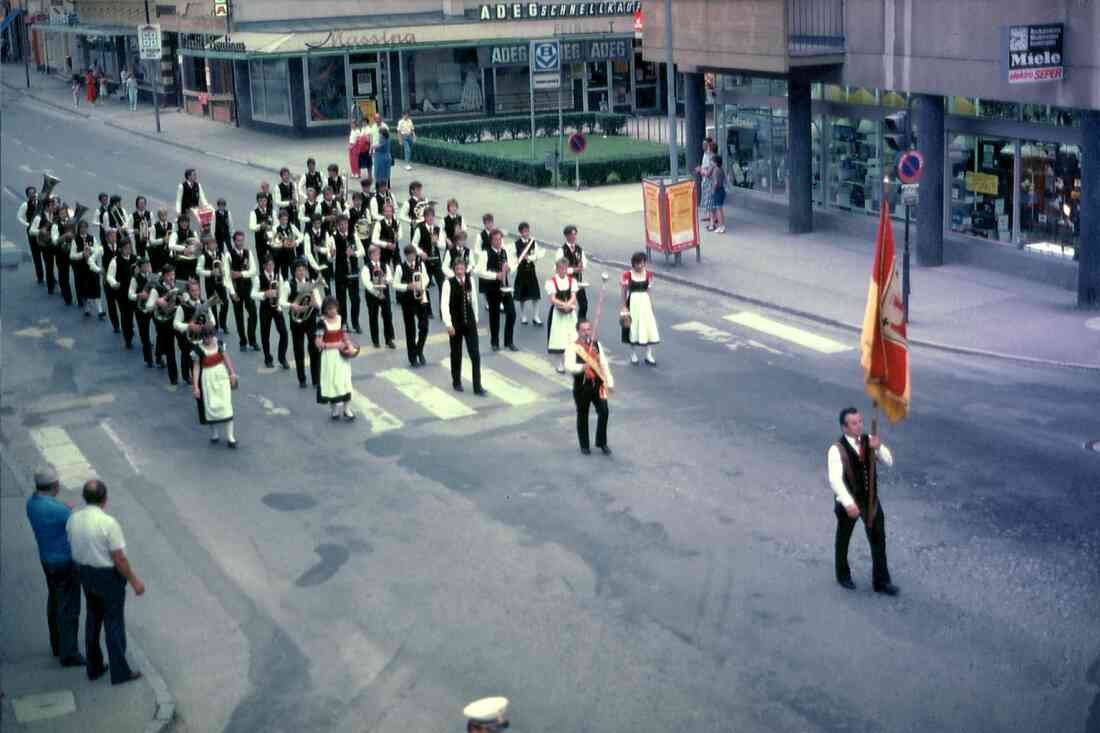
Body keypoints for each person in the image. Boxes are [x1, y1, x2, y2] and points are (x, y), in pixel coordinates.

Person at [66, 479, 145, 685]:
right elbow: (119, 558)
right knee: (113, 622)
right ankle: (120, 672)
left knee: (93, 618)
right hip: (107, 578)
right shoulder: (108, 523)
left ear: (84, 497)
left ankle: (94, 666)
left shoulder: (73, 518)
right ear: (105, 499)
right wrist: (135, 581)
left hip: (85, 574)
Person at [828, 407, 899, 595]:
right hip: (849, 501)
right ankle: (843, 575)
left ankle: (882, 581)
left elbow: (889, 462)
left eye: (860, 421)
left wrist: (879, 449)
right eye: (854, 423)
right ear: (844, 428)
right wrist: (848, 503)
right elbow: (835, 480)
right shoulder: (837, 449)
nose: (859, 426)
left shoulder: (870, 441)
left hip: (871, 501)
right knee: (843, 539)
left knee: (878, 540)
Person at [26, 466, 84, 667]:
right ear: (56, 485)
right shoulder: (59, 510)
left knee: (54, 601)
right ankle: (69, 653)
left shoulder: (32, 504)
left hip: (46, 560)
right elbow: (76, 524)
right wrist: (69, 510)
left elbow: (52, 512)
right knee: (69, 608)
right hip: (65, 563)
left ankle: (57, 644)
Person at [565, 320, 613, 455]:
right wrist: (581, 367)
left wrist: (609, 381)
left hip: (598, 384)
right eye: (583, 330)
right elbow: (568, 365)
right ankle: (584, 445)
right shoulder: (573, 347)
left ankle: (602, 442)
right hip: (582, 386)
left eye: (588, 329)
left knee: (604, 411)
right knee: (583, 414)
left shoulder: (596, 344)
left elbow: (603, 362)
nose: (586, 332)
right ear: (578, 331)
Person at [441, 258, 485, 395]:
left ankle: (477, 386)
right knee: (456, 354)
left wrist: (476, 319)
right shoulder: (448, 283)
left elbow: (474, 301)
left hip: (470, 323)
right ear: (454, 269)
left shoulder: (470, 281)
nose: (460, 270)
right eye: (458, 267)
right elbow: (444, 305)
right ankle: (457, 381)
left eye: (462, 267)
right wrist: (448, 324)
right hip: (455, 324)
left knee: (475, 354)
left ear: (465, 268)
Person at [192, 325, 240, 446]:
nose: (207, 340)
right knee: (210, 406)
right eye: (205, 337)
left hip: (221, 376)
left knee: (226, 404)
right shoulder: (198, 349)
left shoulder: (219, 344)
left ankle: (231, 437)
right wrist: (196, 387)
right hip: (207, 378)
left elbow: (226, 358)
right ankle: (214, 433)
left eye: (209, 336)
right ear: (202, 337)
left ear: (212, 335)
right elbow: (196, 367)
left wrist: (232, 373)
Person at [314, 296, 355, 420]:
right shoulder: (321, 322)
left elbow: (345, 335)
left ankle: (347, 409)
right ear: (325, 310)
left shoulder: (341, 319)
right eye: (330, 309)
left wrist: (350, 346)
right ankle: (334, 410)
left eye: (334, 308)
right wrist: (334, 345)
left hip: (342, 356)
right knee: (332, 382)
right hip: (329, 357)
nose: (333, 311)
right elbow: (318, 343)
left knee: (345, 380)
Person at [284, 258, 323, 388]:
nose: (301, 272)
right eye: (298, 270)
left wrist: (315, 304)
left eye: (303, 270)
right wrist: (292, 305)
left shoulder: (311, 283)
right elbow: (281, 301)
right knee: (298, 350)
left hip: (310, 319)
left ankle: (316, 379)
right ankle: (302, 379)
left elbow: (319, 303)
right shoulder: (288, 285)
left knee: (314, 349)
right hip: (296, 321)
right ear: (294, 272)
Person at [477, 229, 518, 352]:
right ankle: (494, 342)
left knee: (512, 314)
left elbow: (512, 267)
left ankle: (508, 341)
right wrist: (495, 275)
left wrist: (510, 268)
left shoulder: (505, 252)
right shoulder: (485, 254)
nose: (499, 242)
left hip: (505, 287)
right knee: (494, 316)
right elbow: (479, 271)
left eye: (500, 239)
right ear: (491, 241)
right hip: (492, 289)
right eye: (496, 240)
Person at [393, 245, 430, 367]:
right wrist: (407, 286)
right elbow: (395, 284)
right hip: (408, 301)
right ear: (406, 256)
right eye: (410, 255)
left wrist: (422, 285)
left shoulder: (420, 264)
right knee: (410, 330)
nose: (412, 257)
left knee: (424, 326)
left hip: (420, 298)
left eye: (413, 255)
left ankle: (419, 350)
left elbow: (426, 278)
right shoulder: (400, 267)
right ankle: (412, 357)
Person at [620, 251, 659, 366]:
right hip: (632, 303)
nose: (640, 266)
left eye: (642, 263)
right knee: (633, 327)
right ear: (633, 264)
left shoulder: (648, 275)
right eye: (637, 263)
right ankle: (633, 354)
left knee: (648, 327)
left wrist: (651, 306)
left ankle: (649, 354)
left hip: (645, 303)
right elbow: (623, 292)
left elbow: (648, 291)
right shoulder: (627, 275)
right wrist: (624, 307)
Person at [253, 254, 290, 369]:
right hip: (265, 309)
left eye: (272, 264)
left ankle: (282, 357)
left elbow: (283, 291)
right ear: (264, 266)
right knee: (265, 335)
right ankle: (268, 358)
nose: (270, 267)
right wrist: (264, 294)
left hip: (276, 307)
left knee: (284, 333)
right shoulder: (258, 278)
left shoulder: (278, 276)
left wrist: (282, 295)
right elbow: (252, 294)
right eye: (268, 265)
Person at [226, 230, 259, 351]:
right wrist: (232, 293)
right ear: (234, 241)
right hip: (236, 290)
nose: (240, 243)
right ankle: (243, 342)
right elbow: (227, 277)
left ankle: (252, 339)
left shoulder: (248, 252)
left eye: (242, 240)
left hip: (247, 287)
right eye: (238, 240)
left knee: (253, 314)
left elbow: (254, 270)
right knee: (239, 317)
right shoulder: (228, 255)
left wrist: (240, 274)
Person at [545, 257, 578, 372]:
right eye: (561, 268)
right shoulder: (552, 281)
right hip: (558, 314)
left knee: (571, 335)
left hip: (569, 313)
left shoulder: (571, 281)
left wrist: (568, 304)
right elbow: (552, 299)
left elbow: (573, 296)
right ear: (557, 269)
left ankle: (569, 361)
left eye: (565, 268)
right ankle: (559, 363)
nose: (563, 270)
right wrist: (563, 304)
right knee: (559, 337)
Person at [360, 244, 396, 349]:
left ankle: (389, 339)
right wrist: (376, 293)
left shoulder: (384, 265)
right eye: (375, 254)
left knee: (388, 315)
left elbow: (390, 277)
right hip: (373, 296)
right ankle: (375, 340)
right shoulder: (366, 268)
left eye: (379, 254)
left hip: (384, 294)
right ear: (371, 255)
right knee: (373, 316)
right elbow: (367, 283)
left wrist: (385, 280)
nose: (378, 256)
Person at [331, 214, 363, 333]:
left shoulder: (354, 236)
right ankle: (344, 323)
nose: (344, 226)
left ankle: (356, 323)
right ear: (338, 225)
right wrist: (333, 254)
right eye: (341, 224)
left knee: (356, 299)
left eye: (345, 223)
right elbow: (331, 257)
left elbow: (362, 251)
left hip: (353, 271)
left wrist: (354, 253)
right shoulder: (333, 237)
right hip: (341, 272)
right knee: (341, 300)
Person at [70, 220, 104, 318]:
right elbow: (72, 255)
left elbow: (98, 251)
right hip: (82, 268)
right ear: (79, 229)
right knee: (85, 288)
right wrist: (82, 254)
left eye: (85, 227)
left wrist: (91, 250)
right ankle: (87, 307)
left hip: (92, 267)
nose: (84, 229)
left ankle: (100, 310)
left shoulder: (92, 238)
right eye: (81, 228)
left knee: (96, 287)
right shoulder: (75, 240)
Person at [128, 256, 157, 368]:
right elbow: (130, 295)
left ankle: (158, 356)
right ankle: (149, 359)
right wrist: (139, 295)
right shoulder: (135, 279)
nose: (147, 268)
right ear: (139, 268)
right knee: (144, 335)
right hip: (141, 309)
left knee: (161, 332)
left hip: (153, 308)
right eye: (145, 266)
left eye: (148, 265)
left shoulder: (153, 277)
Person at [512, 222, 542, 325]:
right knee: (522, 297)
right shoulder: (516, 244)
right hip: (521, 272)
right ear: (520, 232)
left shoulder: (533, 242)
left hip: (531, 272)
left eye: (527, 230)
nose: (526, 233)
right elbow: (514, 258)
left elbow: (537, 255)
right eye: (524, 231)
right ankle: (523, 316)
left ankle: (536, 316)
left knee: (536, 296)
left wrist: (529, 258)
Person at [559, 225, 589, 319]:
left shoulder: (579, 249)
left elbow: (584, 262)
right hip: (566, 283)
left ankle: (580, 323)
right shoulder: (561, 251)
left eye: (575, 234)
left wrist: (582, 266)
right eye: (572, 235)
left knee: (584, 304)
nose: (574, 237)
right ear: (566, 236)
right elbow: (559, 269)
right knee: (568, 306)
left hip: (578, 282)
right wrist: (573, 270)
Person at [17, 186, 44, 284]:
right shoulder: (25, 205)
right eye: (30, 193)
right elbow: (19, 217)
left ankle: (50, 277)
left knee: (46, 256)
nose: (32, 194)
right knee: (36, 255)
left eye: (34, 192)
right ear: (27, 195)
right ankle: (40, 276)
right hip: (31, 232)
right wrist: (28, 224)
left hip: (41, 231)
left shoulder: (40, 203)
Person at [709, 154, 727, 233]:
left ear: (715, 162)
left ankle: (720, 226)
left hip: (717, 191)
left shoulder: (715, 170)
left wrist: (713, 190)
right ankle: (722, 225)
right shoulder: (721, 169)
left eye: (712, 161)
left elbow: (716, 182)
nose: (711, 163)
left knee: (718, 210)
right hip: (721, 190)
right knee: (720, 209)